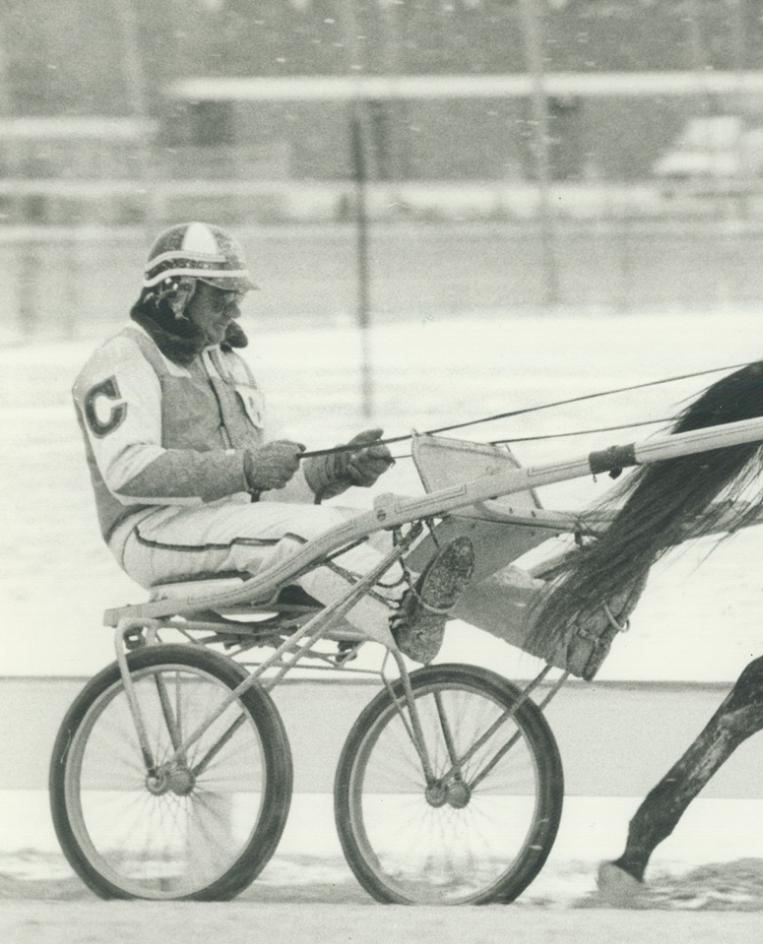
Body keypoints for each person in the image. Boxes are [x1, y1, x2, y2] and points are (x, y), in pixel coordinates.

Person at [74, 222, 617, 674]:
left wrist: (333, 471)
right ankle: (401, 616)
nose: (235, 310)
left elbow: (266, 489)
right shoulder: (125, 358)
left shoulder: (226, 364)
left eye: (238, 297)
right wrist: (244, 467)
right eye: (224, 297)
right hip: (153, 532)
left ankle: (563, 627)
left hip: (233, 526)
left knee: (403, 537)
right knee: (304, 538)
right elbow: (128, 470)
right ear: (179, 291)